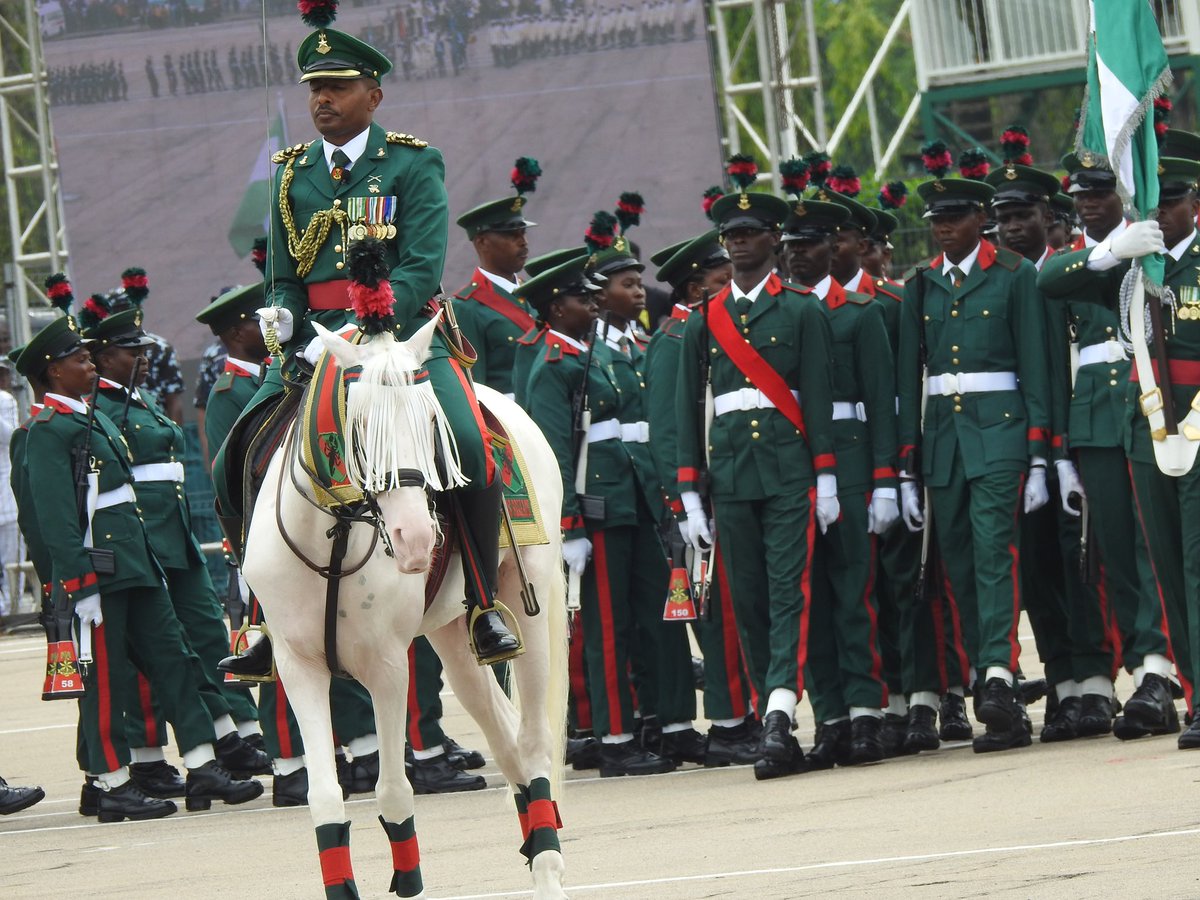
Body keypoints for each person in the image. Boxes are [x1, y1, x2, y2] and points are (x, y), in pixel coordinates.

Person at [216, 20, 519, 667]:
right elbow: (286, 277)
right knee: (234, 455)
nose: (322, 100)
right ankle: (262, 620)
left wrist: (364, 328)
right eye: (314, 90)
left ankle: (484, 604)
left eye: (336, 87)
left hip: (402, 339)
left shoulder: (411, 162)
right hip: (313, 352)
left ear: (372, 95)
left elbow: (419, 268)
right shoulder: (291, 173)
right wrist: (287, 322)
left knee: (469, 441)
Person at [13, 314, 263, 822]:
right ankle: (110, 783)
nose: (90, 366)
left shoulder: (92, 416)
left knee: (176, 658)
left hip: (135, 561)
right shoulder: (46, 430)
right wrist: (74, 584)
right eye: (80, 360)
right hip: (97, 573)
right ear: (54, 372)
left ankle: (201, 763)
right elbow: (54, 517)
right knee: (106, 680)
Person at [675, 158, 838, 780]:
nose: (739, 241)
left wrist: (825, 475)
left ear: (775, 240)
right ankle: (771, 708)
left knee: (788, 591)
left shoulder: (801, 311)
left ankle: (777, 714)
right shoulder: (704, 320)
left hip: (791, 471)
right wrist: (690, 492)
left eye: (750, 233)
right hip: (733, 478)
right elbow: (687, 409)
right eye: (731, 235)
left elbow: (818, 401)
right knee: (745, 600)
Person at [1039, 134, 1199, 747]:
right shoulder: (1122, 263)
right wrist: (1110, 251)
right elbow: (1049, 282)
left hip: (1184, 421)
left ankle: (1180, 679)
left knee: (1183, 560)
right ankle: (1173, 680)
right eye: (1153, 203)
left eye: (1172, 201)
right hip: (1130, 423)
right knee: (1144, 561)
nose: (1161, 214)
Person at [197, 282, 383, 805]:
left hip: (317, 528)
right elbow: (237, 477)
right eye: (259, 321)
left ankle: (361, 746)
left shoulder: (302, 371)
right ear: (238, 332)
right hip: (266, 536)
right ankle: (290, 763)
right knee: (278, 645)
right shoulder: (230, 391)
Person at [897, 155, 1052, 755]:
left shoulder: (1014, 275)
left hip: (1002, 435)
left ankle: (998, 677)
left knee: (995, 554)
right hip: (943, 443)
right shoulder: (920, 283)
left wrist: (1039, 454)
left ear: (980, 220)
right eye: (936, 218)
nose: (943, 227)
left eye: (955, 217)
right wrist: (908, 463)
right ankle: (983, 674)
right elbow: (912, 380)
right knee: (958, 565)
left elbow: (1035, 367)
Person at [81, 303, 269, 773]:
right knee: (159, 649)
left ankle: (240, 729)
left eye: (143, 350)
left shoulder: (139, 399)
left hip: (175, 532)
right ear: (103, 359)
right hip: (144, 535)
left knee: (209, 632)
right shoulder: (99, 409)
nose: (144, 358)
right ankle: (154, 752)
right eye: (131, 351)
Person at [984, 153, 1122, 743]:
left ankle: (1097, 684)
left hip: (1079, 430)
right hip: (1018, 445)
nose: (1012, 228)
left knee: (1083, 562)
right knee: (1037, 570)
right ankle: (1064, 686)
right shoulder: (1000, 281)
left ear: (1050, 216)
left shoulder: (1074, 270)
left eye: (1023, 215)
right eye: (1004, 220)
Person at [522, 251, 675, 777]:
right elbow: (554, 453)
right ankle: (614, 737)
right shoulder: (553, 365)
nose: (591, 304)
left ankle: (651, 721)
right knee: (608, 626)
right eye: (580, 298)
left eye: (592, 296)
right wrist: (568, 525)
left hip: (631, 499)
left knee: (645, 615)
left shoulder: (591, 356)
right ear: (555, 307)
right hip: (597, 510)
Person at [778, 185, 896, 766]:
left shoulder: (861, 313)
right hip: (797, 465)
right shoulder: (785, 312)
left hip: (850, 463)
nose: (799, 253)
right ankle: (830, 716)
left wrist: (884, 479)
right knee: (813, 599)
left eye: (811, 243)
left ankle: (867, 713)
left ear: (833, 247)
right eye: (792, 244)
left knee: (854, 594)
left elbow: (880, 400)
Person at [645, 230, 760, 766]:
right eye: (720, 281)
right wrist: (682, 503)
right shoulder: (675, 340)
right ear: (695, 289)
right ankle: (729, 725)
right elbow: (669, 430)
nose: (730, 287)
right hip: (690, 505)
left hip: (716, 494)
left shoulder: (705, 330)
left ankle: (744, 713)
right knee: (715, 618)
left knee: (734, 611)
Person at [451, 159, 540, 398]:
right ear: (482, 242)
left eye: (523, 233)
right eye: (512, 235)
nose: (523, 242)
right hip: (508, 424)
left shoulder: (535, 295)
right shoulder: (466, 307)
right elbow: (474, 387)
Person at [0, 360, 22, 617]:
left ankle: (10, 608)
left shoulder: (5, 400)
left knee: (9, 559)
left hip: (5, 488)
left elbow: (9, 436)